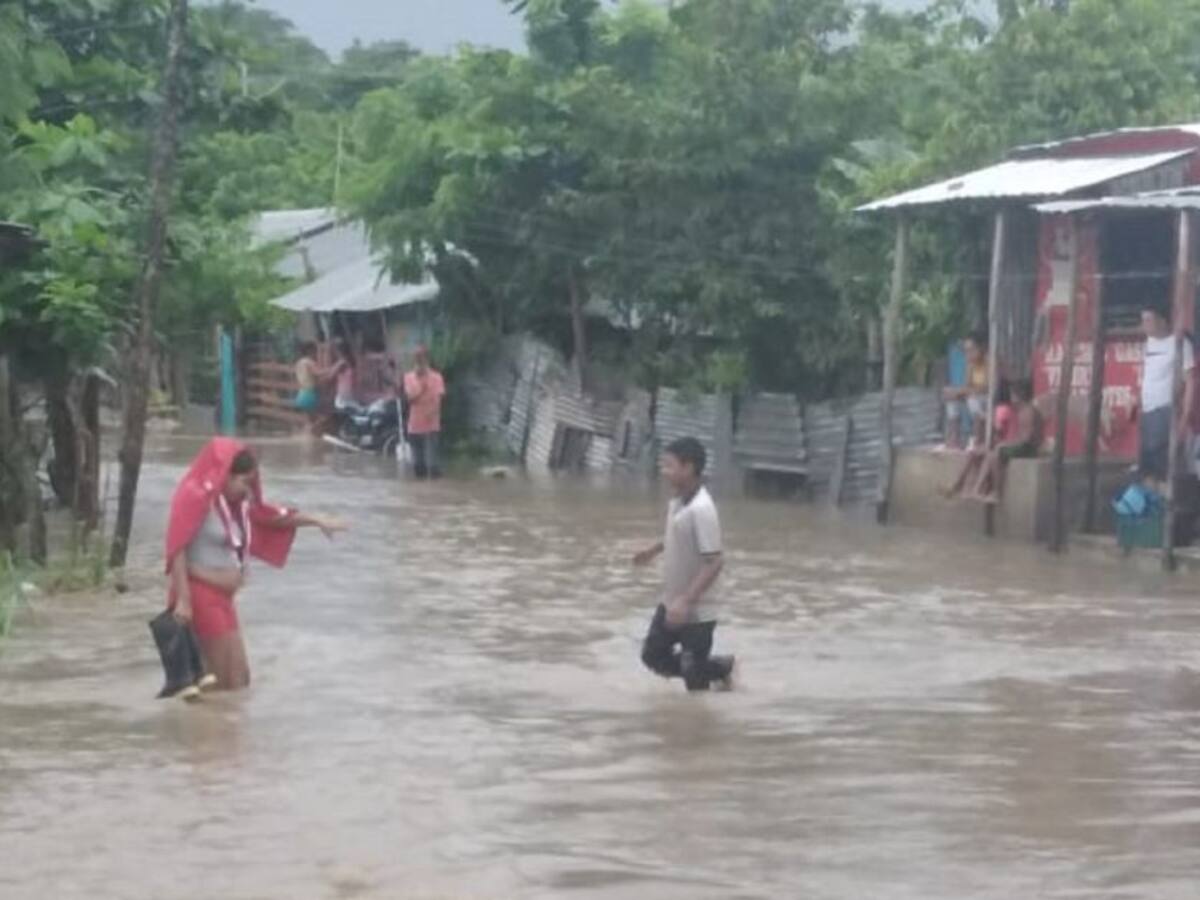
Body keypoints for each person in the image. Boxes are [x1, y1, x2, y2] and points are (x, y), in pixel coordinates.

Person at [165, 438, 345, 690]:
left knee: (239, 680)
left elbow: (272, 517)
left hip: (224, 597)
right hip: (200, 596)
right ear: (223, 474)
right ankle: (211, 727)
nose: (246, 490)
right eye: (242, 481)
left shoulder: (235, 505)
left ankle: (222, 727)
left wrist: (317, 520)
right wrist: (183, 598)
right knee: (222, 682)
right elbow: (176, 546)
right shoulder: (193, 496)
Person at [634, 437, 734, 692]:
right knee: (652, 656)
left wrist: (687, 600)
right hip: (672, 600)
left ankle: (698, 721)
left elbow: (714, 561)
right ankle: (720, 668)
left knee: (694, 679)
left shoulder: (702, 509)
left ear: (688, 468)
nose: (664, 472)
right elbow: (678, 535)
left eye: (669, 466)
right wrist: (653, 550)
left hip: (698, 608)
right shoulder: (678, 502)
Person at [1135, 305, 1195, 487]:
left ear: (1162, 321)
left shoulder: (1180, 343)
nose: (1144, 325)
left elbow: (1190, 380)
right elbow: (1147, 375)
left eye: (1148, 320)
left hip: (1165, 409)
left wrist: (1185, 415)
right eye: (1143, 320)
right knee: (1146, 461)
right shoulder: (1149, 343)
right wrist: (1137, 400)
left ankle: (1170, 500)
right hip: (1147, 409)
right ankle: (1152, 500)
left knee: (1162, 459)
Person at [972, 379, 1043, 504]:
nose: (1011, 398)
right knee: (988, 452)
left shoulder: (1028, 412)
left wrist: (1005, 444)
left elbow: (1026, 439)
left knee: (996, 453)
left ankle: (997, 493)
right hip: (1022, 445)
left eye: (1012, 395)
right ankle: (977, 489)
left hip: (1028, 449)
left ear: (1018, 396)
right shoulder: (1021, 411)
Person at [941, 381, 1013, 499]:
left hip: (1000, 443)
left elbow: (998, 430)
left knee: (983, 454)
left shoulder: (1003, 409)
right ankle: (958, 484)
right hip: (994, 442)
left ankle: (975, 488)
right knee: (973, 452)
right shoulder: (1000, 409)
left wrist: (986, 419)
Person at [403, 345, 446, 479]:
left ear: (426, 359)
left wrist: (432, 415)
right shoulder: (409, 377)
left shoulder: (437, 377)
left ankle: (435, 494)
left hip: (431, 425)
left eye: (421, 358)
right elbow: (409, 399)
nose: (419, 361)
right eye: (417, 358)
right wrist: (421, 388)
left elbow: (438, 400)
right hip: (414, 425)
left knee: (432, 465)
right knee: (418, 467)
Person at [943, 333, 990, 450]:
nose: (968, 354)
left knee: (973, 400)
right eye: (966, 351)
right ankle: (954, 440)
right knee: (952, 399)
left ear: (982, 347)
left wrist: (963, 391)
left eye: (972, 349)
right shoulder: (971, 363)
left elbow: (989, 386)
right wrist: (956, 392)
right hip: (975, 394)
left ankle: (977, 439)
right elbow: (967, 385)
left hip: (989, 397)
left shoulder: (990, 361)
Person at [294, 342, 336, 434]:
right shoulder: (309, 362)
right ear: (310, 351)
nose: (316, 354)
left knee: (310, 420)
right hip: (310, 394)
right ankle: (309, 433)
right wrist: (332, 369)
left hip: (301, 394)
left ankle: (306, 436)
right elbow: (318, 372)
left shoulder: (299, 362)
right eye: (315, 351)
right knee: (325, 416)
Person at [332, 338, 358, 412]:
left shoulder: (341, 363)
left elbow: (329, 375)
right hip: (350, 392)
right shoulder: (350, 360)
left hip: (343, 395)